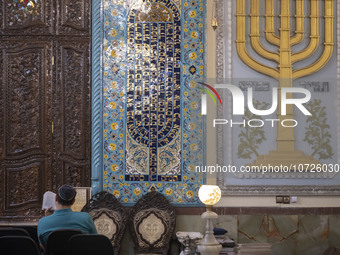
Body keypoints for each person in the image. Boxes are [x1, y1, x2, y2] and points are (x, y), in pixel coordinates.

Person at [37, 184, 97, 250]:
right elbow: (94, 240)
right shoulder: (86, 217)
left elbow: (43, 246)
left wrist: (47, 219)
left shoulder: (42, 222)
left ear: (56, 198)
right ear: (74, 201)